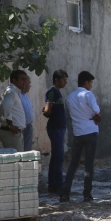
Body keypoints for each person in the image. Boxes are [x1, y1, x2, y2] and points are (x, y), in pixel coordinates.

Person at [62, 71, 101, 203]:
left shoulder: (69, 98)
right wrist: (97, 115)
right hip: (90, 132)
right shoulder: (88, 94)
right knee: (88, 165)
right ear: (86, 82)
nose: (91, 85)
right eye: (90, 83)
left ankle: (65, 193)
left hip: (78, 133)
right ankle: (87, 194)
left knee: (73, 164)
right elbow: (97, 110)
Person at [42, 70, 68, 195]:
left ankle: (53, 184)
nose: (65, 82)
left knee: (56, 156)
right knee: (59, 156)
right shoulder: (52, 92)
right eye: (63, 80)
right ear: (56, 80)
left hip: (59, 128)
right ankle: (58, 184)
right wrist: (47, 112)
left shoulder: (57, 93)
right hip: (55, 128)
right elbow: (47, 110)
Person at [0, 70, 27, 152]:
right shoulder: (11, 92)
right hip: (11, 133)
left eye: (25, 79)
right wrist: (10, 124)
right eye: (22, 79)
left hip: (15, 133)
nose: (24, 82)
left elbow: (0, 110)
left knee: (18, 160)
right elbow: (5, 107)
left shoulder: (14, 92)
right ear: (14, 80)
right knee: (16, 161)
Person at [20, 74, 34, 153]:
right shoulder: (17, 95)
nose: (30, 86)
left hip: (28, 126)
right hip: (20, 127)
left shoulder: (25, 96)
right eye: (29, 83)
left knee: (27, 149)